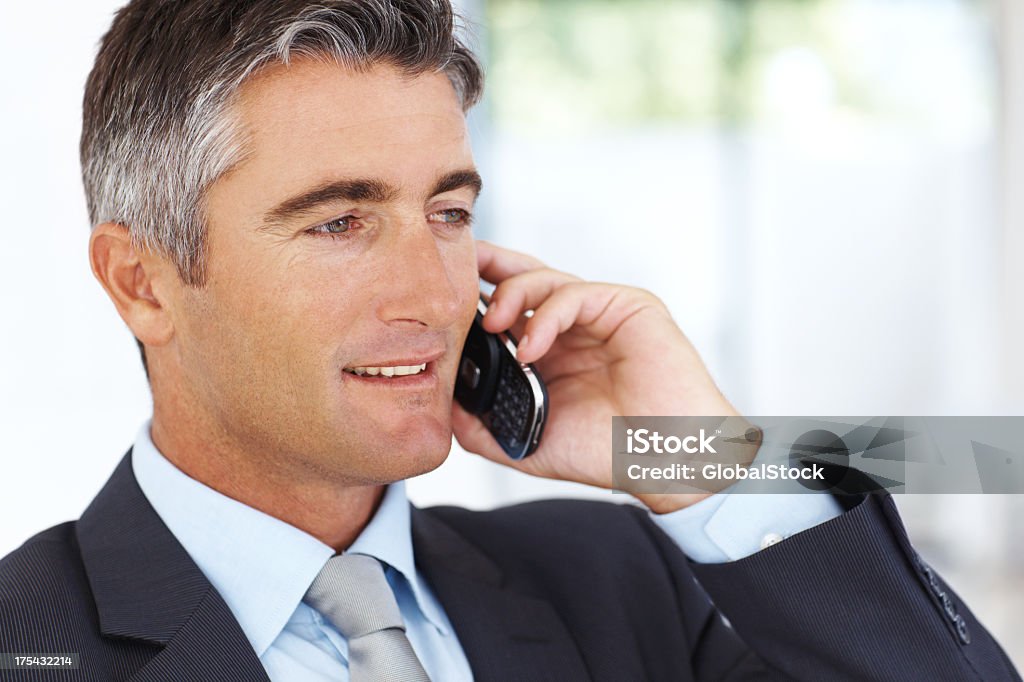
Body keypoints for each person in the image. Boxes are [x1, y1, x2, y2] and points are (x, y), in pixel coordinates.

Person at [0, 1, 1018, 680]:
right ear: (142, 282)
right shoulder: (26, 641)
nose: (437, 293)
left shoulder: (619, 588)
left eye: (446, 213)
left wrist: (697, 459)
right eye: (339, 221)